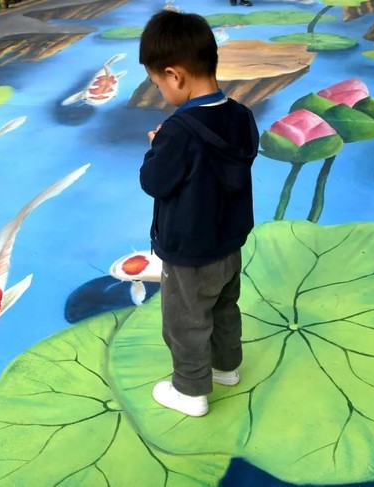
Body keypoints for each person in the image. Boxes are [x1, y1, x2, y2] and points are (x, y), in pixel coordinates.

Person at [138, 10, 259, 417]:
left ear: (175, 75)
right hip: (229, 242)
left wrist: (158, 145)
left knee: (185, 320)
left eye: (157, 83)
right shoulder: (241, 115)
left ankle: (190, 391)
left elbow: (154, 182)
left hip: (190, 252)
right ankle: (226, 368)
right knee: (224, 306)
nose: (160, 91)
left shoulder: (178, 132)